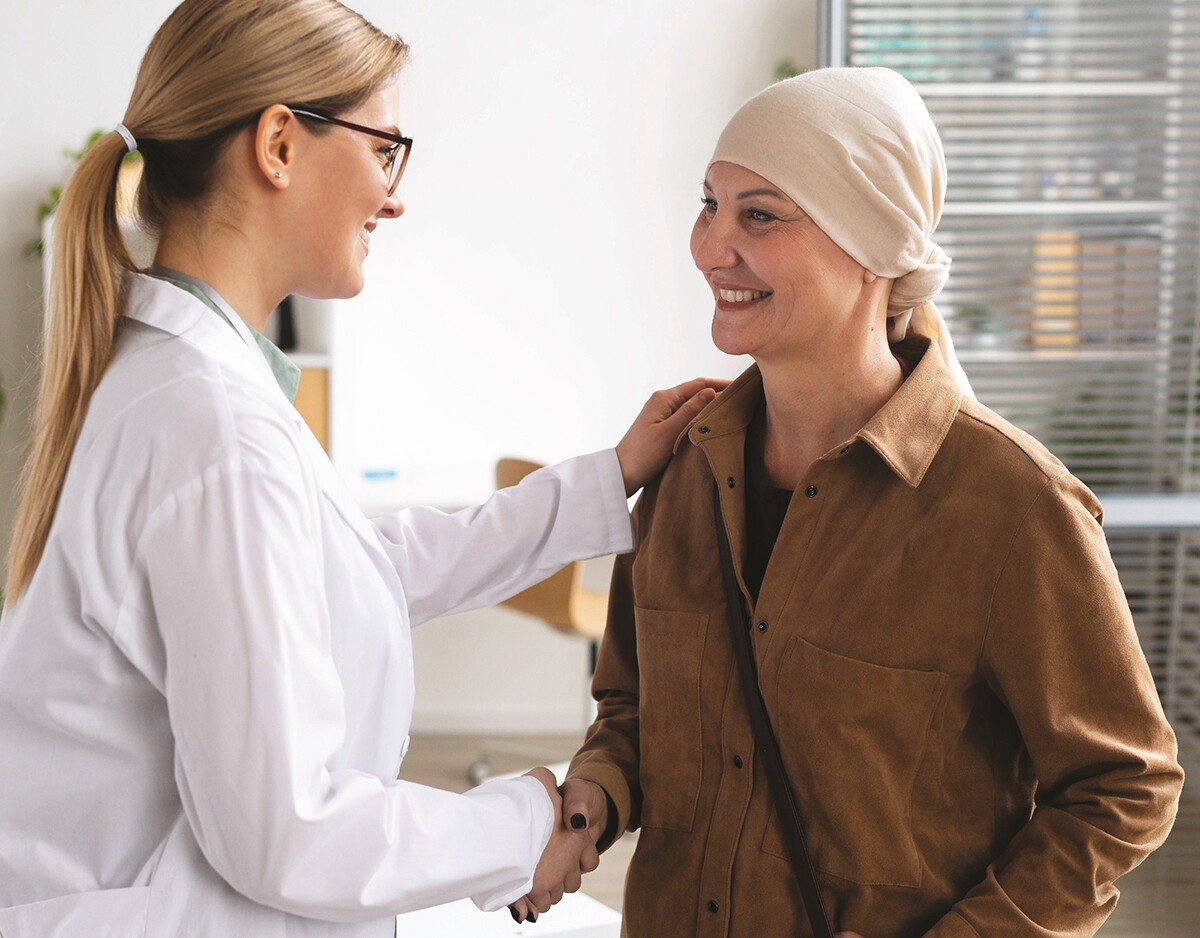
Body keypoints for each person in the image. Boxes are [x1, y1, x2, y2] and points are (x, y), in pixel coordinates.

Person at [0, 1, 722, 934]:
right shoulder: (216, 431)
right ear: (278, 146)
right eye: (385, 150)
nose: (395, 195)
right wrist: (523, 825)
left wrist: (606, 476)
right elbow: (288, 833)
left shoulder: (180, 383)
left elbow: (357, 571)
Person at [559, 67, 1185, 938]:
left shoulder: (1011, 507)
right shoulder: (685, 467)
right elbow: (631, 707)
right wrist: (595, 793)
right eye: (709, 205)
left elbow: (1123, 786)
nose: (710, 247)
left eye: (760, 215)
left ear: (874, 246)